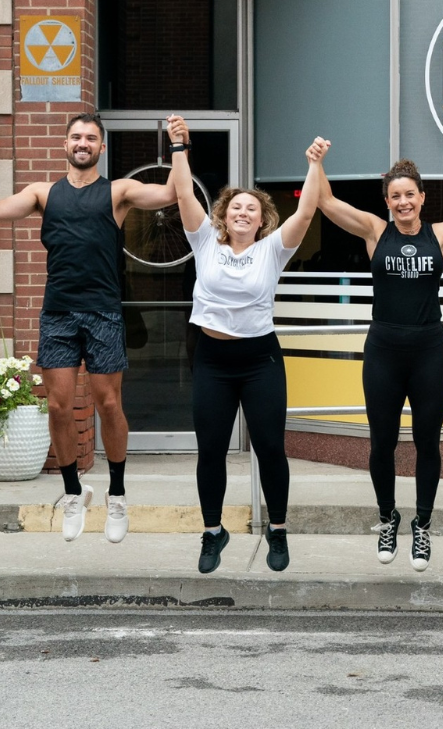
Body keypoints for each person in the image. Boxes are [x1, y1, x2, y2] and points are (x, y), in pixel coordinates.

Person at [0, 113, 178, 543]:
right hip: (58, 313)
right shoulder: (43, 193)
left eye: (91, 137)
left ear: (101, 147)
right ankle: (73, 492)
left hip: (103, 312)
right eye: (76, 136)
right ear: (65, 143)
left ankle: (118, 493)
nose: (82, 143)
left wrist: (179, 148)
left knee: (108, 404)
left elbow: (169, 192)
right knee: (58, 407)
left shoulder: (117, 192)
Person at [314, 156, 443, 571]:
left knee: (427, 442)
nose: (403, 202)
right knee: (382, 443)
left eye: (409, 194)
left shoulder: (442, 234)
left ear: (422, 197)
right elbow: (324, 201)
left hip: (430, 351)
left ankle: (423, 525)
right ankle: (387, 517)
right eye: (395, 196)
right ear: (387, 201)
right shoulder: (376, 231)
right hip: (383, 352)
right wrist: (318, 162)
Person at [167, 115, 327, 574]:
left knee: (270, 447)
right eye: (235, 207)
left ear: (262, 219)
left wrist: (313, 164)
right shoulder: (204, 242)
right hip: (212, 358)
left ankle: (278, 530)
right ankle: (213, 531)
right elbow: (182, 193)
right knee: (211, 448)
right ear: (223, 215)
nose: (242, 212)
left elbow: (307, 212)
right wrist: (179, 146)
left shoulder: (273, 249)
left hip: (260, 358)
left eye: (251, 209)